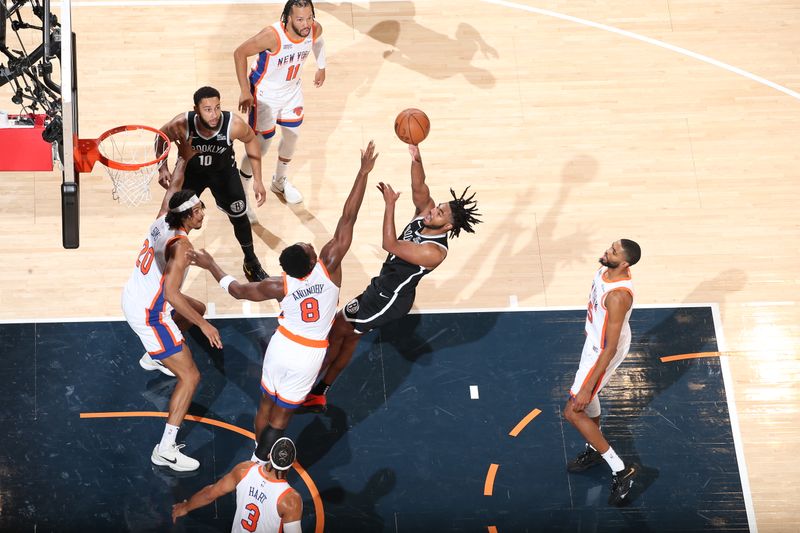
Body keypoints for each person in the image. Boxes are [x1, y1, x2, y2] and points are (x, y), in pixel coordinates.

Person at [190, 141, 377, 460]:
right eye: (307, 245)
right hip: (308, 356)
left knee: (265, 404)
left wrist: (211, 266)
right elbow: (349, 219)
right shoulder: (329, 268)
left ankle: (255, 456)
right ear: (313, 259)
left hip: (282, 347)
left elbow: (236, 290)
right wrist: (362, 172)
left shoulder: (279, 285)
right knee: (282, 416)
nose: (308, 242)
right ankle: (265, 461)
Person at [302, 143, 482, 412]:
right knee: (349, 337)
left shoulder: (434, 252)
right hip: (382, 287)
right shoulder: (426, 213)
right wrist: (416, 157)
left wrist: (390, 205)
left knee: (339, 328)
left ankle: (308, 387)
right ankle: (319, 392)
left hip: (388, 300)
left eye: (440, 212)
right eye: (438, 207)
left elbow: (390, 244)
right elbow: (420, 187)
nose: (433, 211)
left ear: (447, 226)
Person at [121, 136, 223, 472]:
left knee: (199, 308)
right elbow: (171, 296)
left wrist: (184, 157)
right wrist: (205, 327)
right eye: (198, 210)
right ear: (189, 217)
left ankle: (155, 355)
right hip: (150, 313)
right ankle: (165, 449)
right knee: (191, 377)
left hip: (132, 294)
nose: (202, 212)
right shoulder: (181, 249)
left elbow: (173, 187)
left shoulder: (162, 219)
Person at [157, 85, 269, 282]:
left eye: (217, 107)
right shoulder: (183, 123)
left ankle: (251, 262)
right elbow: (161, 137)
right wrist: (162, 167)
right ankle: (167, 258)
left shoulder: (232, 124)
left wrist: (258, 179)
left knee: (239, 217)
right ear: (196, 110)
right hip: (191, 174)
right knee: (174, 218)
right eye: (208, 109)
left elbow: (251, 139)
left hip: (223, 174)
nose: (214, 114)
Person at [563, 238, 642, 506]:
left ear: (625, 263)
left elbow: (609, 349)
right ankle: (594, 448)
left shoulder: (618, 296)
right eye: (610, 247)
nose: (606, 252)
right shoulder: (607, 270)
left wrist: (587, 386)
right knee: (586, 400)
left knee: (573, 410)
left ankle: (621, 470)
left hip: (604, 350)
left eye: (613, 252)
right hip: (597, 341)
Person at [234, 0, 327, 210]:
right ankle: (242, 190)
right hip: (265, 94)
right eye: (300, 19)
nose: (306, 24)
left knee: (292, 138)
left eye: (310, 17)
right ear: (288, 18)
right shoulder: (272, 35)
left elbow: (318, 40)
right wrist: (244, 90)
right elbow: (239, 53)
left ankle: (279, 182)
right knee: (262, 144)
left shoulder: (313, 29)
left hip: (292, 91)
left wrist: (321, 66)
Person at [172, 436, 302, 533]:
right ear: (293, 462)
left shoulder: (244, 470)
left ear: (269, 455)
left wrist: (185, 507)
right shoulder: (290, 500)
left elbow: (209, 494)